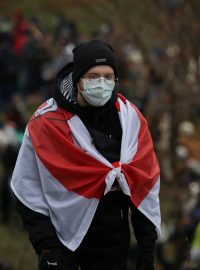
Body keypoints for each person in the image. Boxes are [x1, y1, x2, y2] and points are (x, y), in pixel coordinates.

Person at [11, 40, 161, 270]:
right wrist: (47, 247)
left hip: (112, 242)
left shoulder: (130, 120)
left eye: (108, 76)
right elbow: (26, 188)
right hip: (62, 243)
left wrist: (146, 253)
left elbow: (143, 185)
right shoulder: (47, 123)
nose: (101, 83)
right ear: (78, 79)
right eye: (93, 76)